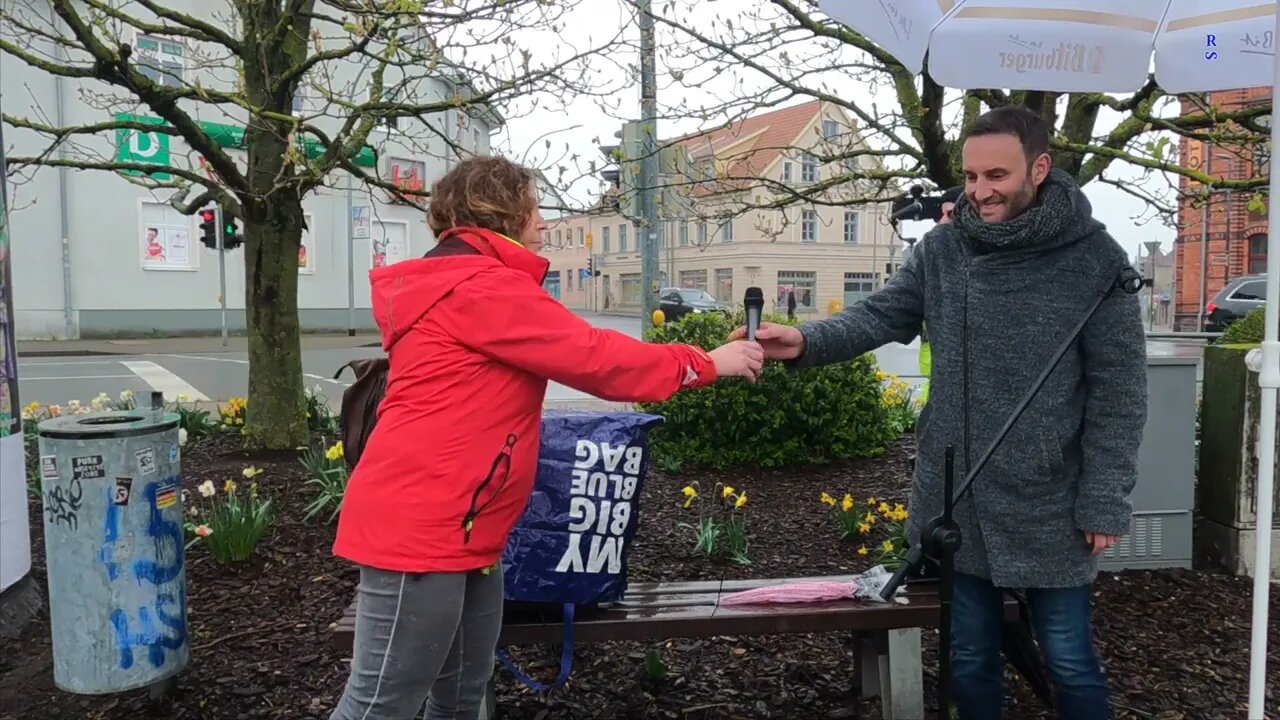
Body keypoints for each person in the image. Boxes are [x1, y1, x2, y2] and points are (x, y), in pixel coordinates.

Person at [732, 106, 1147, 719]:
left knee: (1068, 659)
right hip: (957, 494)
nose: (979, 191)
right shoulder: (945, 247)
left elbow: (1121, 392)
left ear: (1040, 167)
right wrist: (808, 340)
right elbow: (881, 314)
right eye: (971, 176)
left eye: (996, 176)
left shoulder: (1096, 260)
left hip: (1051, 497)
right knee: (969, 658)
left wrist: (1106, 497)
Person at [329, 156, 764, 720]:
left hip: (467, 529)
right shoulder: (479, 288)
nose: (542, 219)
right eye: (535, 205)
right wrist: (705, 361)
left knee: (461, 696)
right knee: (379, 706)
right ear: (505, 210)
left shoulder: (471, 282)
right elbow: (598, 361)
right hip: (423, 532)